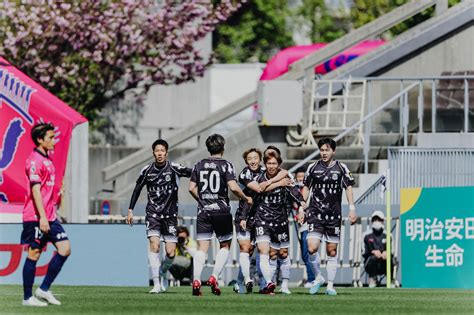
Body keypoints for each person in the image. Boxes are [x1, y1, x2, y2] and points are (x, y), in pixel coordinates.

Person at [188, 134, 252, 296]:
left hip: (204, 211)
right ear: (223, 148)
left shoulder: (199, 164)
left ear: (208, 148)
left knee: (202, 248)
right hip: (221, 211)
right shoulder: (226, 165)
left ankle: (196, 279)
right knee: (225, 245)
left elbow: (191, 188)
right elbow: (233, 187)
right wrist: (245, 197)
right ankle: (214, 277)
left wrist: (202, 200)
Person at [126, 139, 192, 294]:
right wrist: (130, 210)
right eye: (157, 150)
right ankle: (156, 283)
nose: (160, 153)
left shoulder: (174, 168)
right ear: (153, 153)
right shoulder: (147, 170)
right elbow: (137, 189)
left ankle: (162, 272)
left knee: (170, 253)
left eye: (162, 150)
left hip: (170, 216)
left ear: (166, 153)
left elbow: (192, 172)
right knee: (154, 246)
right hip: (153, 214)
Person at [21, 123, 71, 307]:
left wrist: (58, 195)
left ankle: (43, 289)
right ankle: (27, 298)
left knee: (65, 249)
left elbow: (46, 192)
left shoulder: (48, 161)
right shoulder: (34, 161)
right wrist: (42, 217)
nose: (54, 141)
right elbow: (35, 191)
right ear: (40, 140)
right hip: (36, 217)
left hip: (50, 216)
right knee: (34, 254)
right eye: (50, 137)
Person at [299, 137, 356, 296]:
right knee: (311, 247)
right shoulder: (312, 167)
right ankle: (318, 277)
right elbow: (306, 189)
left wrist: (352, 208)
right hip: (315, 214)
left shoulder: (341, 168)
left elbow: (348, 188)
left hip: (333, 216)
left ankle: (330, 285)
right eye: (322, 150)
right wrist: (302, 208)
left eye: (327, 150)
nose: (324, 153)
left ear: (333, 151)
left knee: (331, 251)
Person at [234, 147, 289, 294]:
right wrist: (278, 183)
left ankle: (265, 284)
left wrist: (271, 180)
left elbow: (284, 172)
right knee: (246, 249)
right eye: (249, 159)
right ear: (246, 161)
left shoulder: (264, 170)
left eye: (255, 158)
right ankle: (243, 281)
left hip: (259, 217)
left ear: (260, 160)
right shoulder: (245, 174)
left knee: (261, 251)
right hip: (244, 216)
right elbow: (258, 189)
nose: (253, 161)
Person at [253, 150, 305, 295]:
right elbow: (259, 189)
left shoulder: (286, 175)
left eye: (274, 163)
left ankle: (285, 285)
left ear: (279, 164)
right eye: (269, 163)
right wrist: (278, 183)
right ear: (265, 164)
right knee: (267, 252)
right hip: (262, 219)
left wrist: (301, 205)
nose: (271, 166)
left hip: (280, 220)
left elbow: (295, 190)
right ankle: (269, 283)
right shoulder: (259, 176)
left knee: (283, 253)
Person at [292, 166, 317, 288]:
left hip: (308, 223)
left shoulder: (309, 190)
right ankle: (312, 277)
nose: (301, 180)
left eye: (303, 177)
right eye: (299, 177)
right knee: (304, 253)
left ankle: (313, 278)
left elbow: (308, 204)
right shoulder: (294, 190)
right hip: (300, 225)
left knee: (308, 252)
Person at [363, 210, 394, 287]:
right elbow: (363, 252)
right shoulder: (366, 235)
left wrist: (387, 252)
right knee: (373, 258)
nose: (376, 222)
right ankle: (373, 279)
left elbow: (392, 251)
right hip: (371, 263)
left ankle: (390, 280)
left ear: (382, 221)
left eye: (379, 220)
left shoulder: (388, 235)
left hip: (384, 263)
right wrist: (372, 252)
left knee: (389, 259)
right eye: (375, 220)